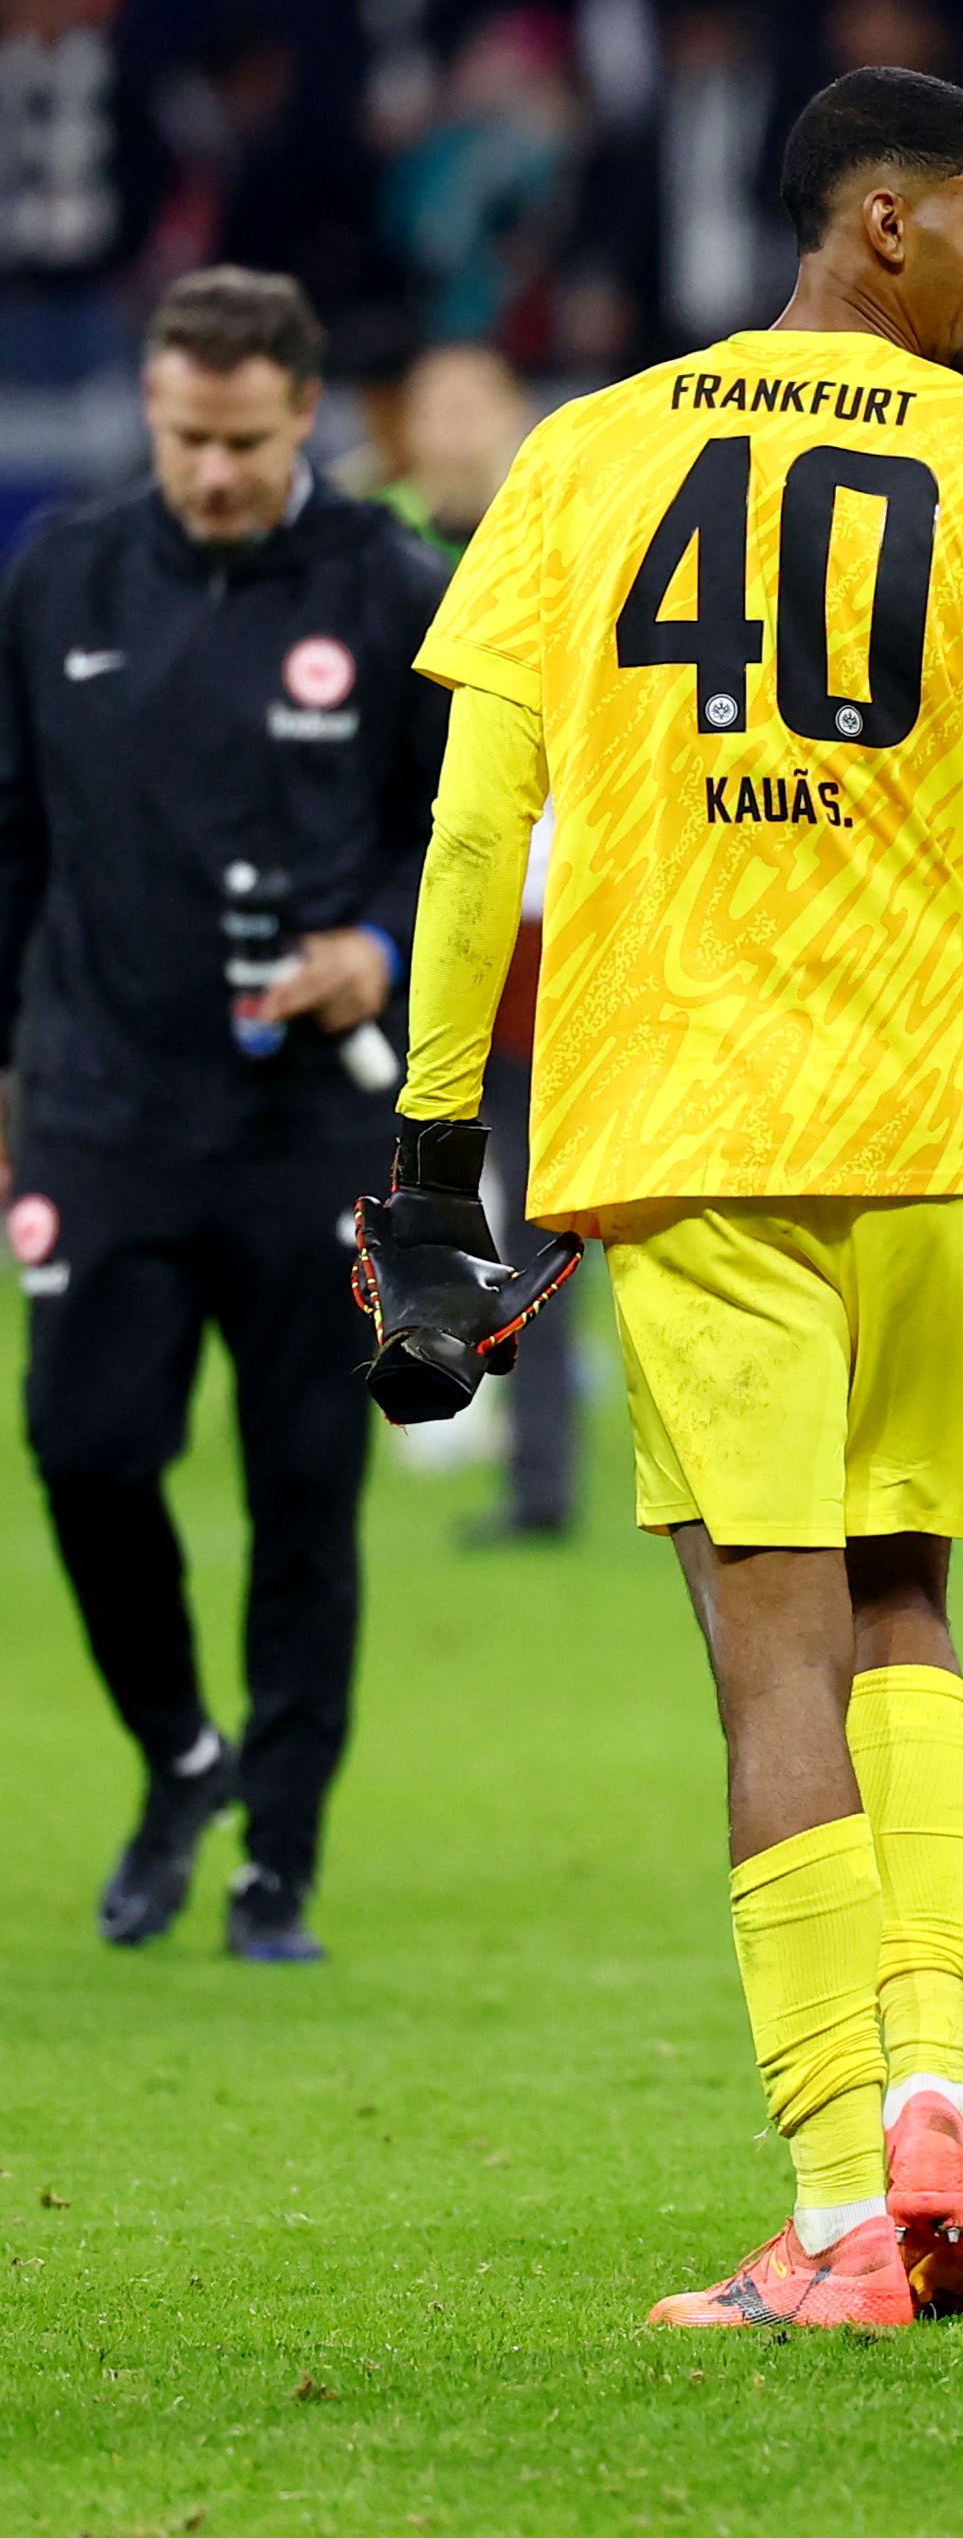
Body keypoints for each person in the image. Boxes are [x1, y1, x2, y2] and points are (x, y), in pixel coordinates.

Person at [370, 65, 963, 2331]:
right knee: (909, 1597)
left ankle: (840, 2212)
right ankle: (934, 2088)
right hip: (940, 1126)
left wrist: (437, 1143)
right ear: (880, 219)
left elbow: (469, 836)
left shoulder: (583, 454)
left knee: (769, 1645)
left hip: (690, 1121)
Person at [0, 267, 451, 1962]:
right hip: (103, 1108)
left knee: (301, 1492)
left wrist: (380, 947)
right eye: (186, 437)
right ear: (150, 412)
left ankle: (282, 1856)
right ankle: (182, 1754)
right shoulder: (61, 574)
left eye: (245, 443)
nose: (211, 473)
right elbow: (10, 832)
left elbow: (468, 830)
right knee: (83, 1447)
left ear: (306, 418)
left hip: (302, 1140)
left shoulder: (393, 586)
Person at [374, 344, 587, 1547]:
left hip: (562, 932)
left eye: (474, 405)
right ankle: (512, 1454)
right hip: (447, 931)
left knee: (566, 1211)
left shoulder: (561, 555)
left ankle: (545, 1470)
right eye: (431, 406)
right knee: (470, 1204)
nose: (451, 429)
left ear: (516, 419)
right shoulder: (386, 564)